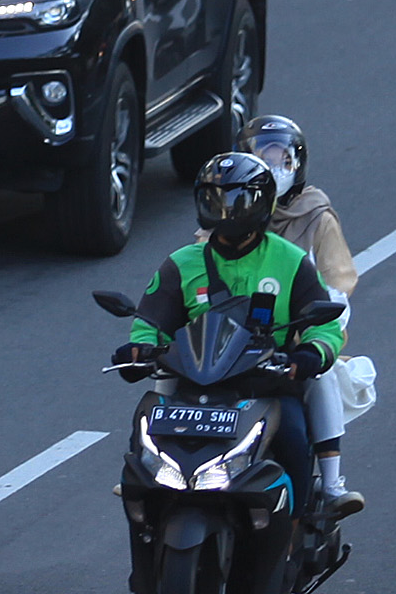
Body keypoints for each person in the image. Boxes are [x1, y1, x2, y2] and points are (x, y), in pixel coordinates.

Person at [115, 152, 351, 519]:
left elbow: (324, 325)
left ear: (262, 203)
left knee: (292, 431)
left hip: (266, 384)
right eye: (215, 199)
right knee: (145, 429)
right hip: (194, 386)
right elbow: (150, 321)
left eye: (238, 200)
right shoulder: (181, 264)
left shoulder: (291, 262)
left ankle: (297, 523)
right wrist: (138, 349)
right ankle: (148, 514)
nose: (226, 210)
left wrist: (311, 353)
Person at [246, 115, 366, 514]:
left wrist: (312, 340)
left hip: (293, 336)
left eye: (282, 159)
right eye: (263, 158)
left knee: (321, 375)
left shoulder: (316, 216)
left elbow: (337, 286)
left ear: (297, 164)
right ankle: (150, 466)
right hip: (234, 339)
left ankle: (332, 484)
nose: (273, 167)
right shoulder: (232, 211)